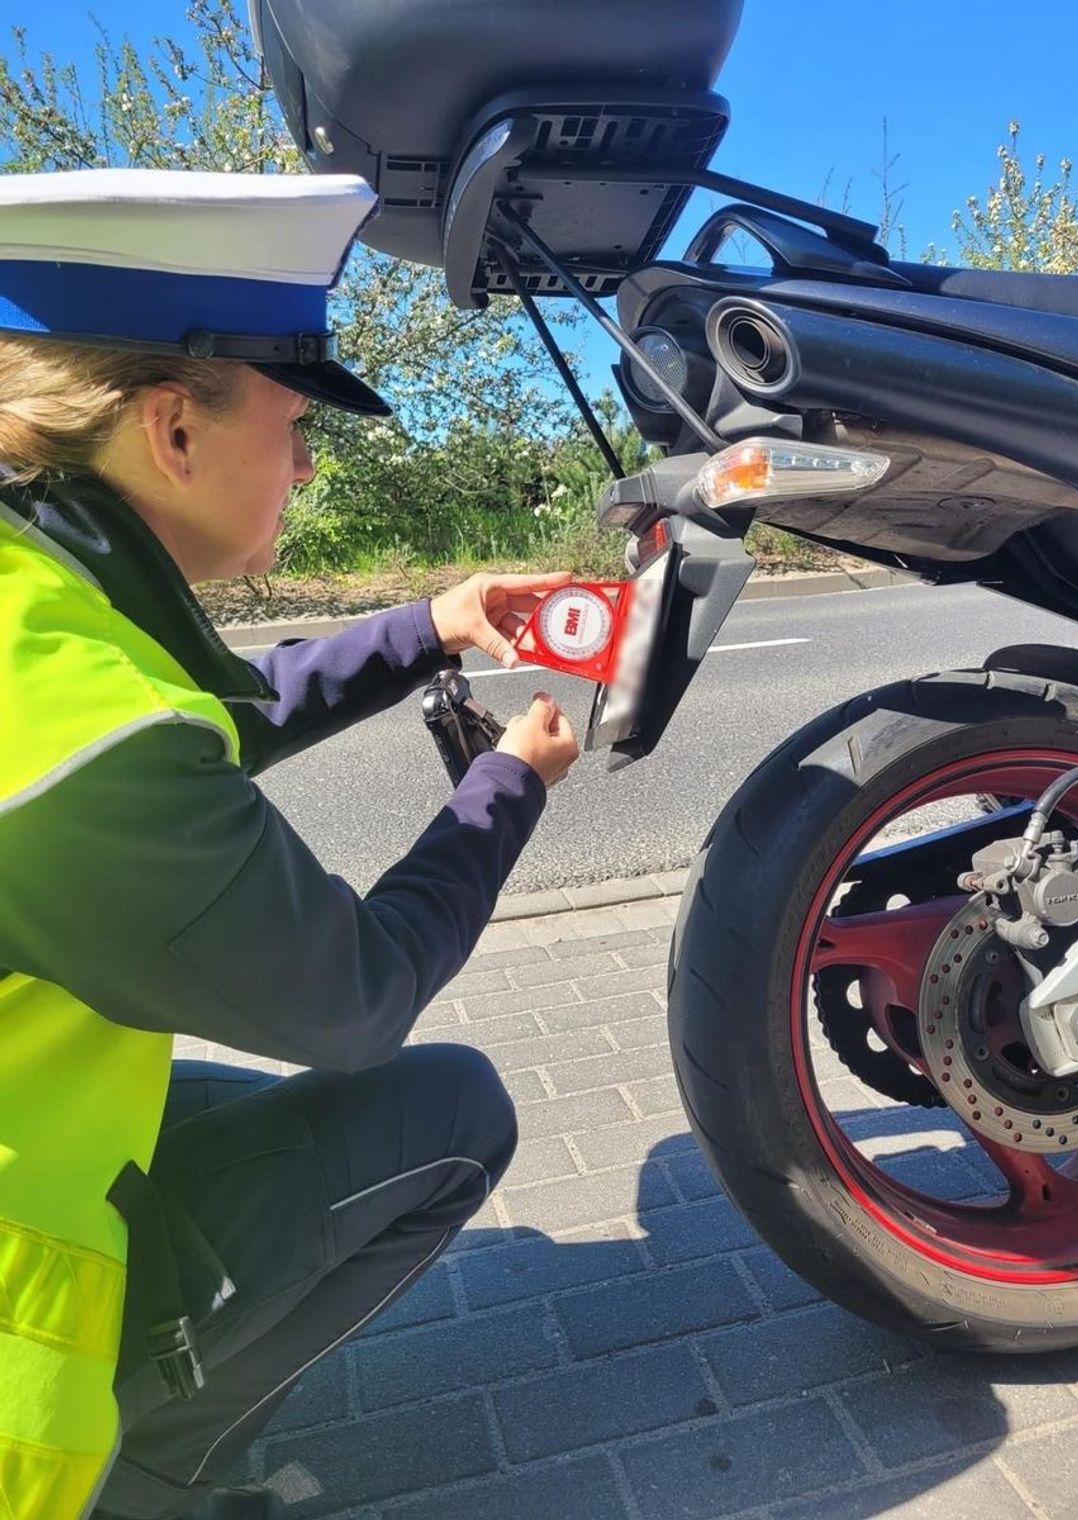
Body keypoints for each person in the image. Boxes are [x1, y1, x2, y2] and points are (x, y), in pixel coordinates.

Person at [0, 168, 580, 1520]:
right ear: (171, 430)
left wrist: (434, 624)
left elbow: (214, 705)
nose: (311, 462)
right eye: (293, 420)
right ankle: (139, 1482)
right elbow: (355, 998)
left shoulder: (40, 588)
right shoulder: (76, 746)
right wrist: (508, 784)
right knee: (447, 1109)